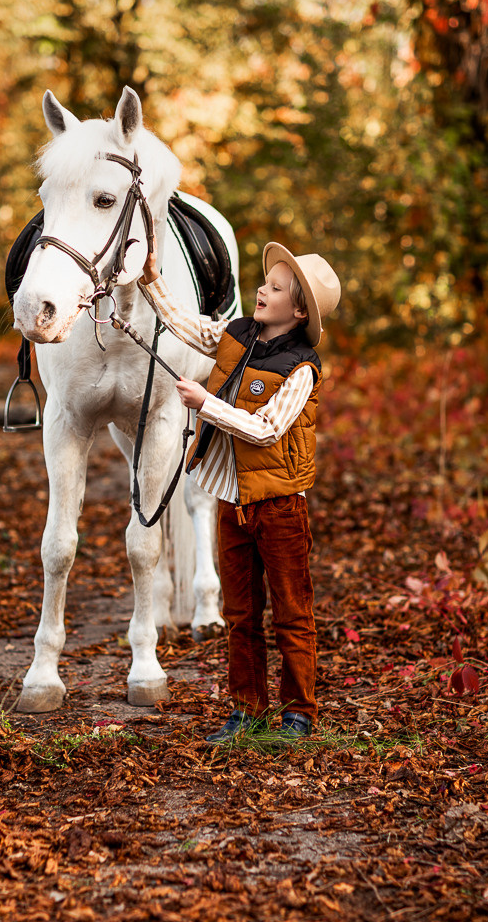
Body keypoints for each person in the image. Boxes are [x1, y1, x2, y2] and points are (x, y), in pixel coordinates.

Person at [138, 239, 341, 744]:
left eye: (274, 288)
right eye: (263, 281)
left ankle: (299, 712)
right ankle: (246, 709)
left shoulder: (300, 367)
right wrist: (149, 280)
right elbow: (188, 325)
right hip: (233, 501)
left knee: (291, 611)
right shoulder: (237, 334)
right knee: (240, 613)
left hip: (279, 506)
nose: (261, 289)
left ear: (297, 310)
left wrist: (205, 402)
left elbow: (266, 429)